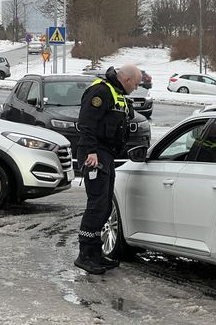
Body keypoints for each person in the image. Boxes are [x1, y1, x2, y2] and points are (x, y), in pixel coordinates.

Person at [74, 64, 142, 275]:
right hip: (95, 154)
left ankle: (95, 253)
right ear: (127, 80)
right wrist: (91, 152)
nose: (137, 88)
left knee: (104, 205)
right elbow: (86, 123)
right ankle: (85, 255)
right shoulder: (101, 91)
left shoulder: (117, 93)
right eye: (137, 83)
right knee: (97, 204)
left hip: (107, 154)